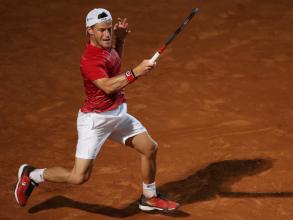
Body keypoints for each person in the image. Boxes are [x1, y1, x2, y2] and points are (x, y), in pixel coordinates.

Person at [14, 8, 179, 212]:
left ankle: (149, 197)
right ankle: (32, 175)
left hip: (117, 115)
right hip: (95, 121)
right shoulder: (89, 59)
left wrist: (121, 41)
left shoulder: (108, 47)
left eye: (109, 29)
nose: (107, 34)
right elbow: (108, 85)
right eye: (102, 30)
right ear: (89, 31)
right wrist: (137, 71)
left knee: (149, 147)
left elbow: (114, 65)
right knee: (79, 177)